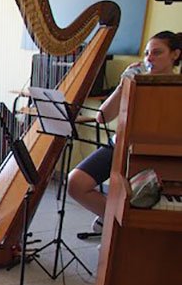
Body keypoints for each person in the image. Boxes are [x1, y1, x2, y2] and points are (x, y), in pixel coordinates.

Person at [68, 31, 182, 230]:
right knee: (75, 183)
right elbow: (102, 117)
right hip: (121, 146)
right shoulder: (135, 82)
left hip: (157, 153)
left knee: (141, 198)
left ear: (175, 54)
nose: (149, 59)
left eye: (157, 53)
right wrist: (122, 85)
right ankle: (113, 222)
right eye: (147, 53)